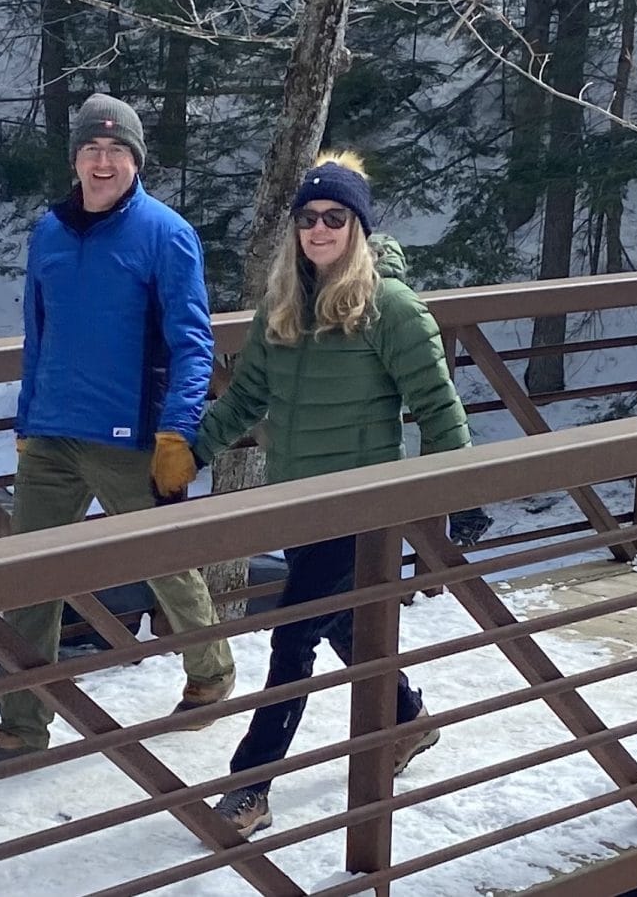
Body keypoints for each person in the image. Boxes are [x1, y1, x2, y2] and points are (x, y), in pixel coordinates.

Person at [189, 151, 472, 835]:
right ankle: (407, 718)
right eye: (308, 218)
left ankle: (250, 787)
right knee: (344, 622)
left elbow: (439, 408)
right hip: (298, 502)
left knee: (292, 637)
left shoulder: (391, 308)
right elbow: (246, 397)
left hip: (364, 508)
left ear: (358, 227)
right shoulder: (282, 308)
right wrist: (186, 455)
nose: (319, 229)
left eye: (335, 218)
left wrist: (459, 498)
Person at [0, 93, 236, 769]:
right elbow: (38, 333)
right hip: (51, 433)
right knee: (28, 578)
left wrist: (176, 433)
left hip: (129, 434)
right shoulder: (49, 232)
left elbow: (193, 344)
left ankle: (211, 673)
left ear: (135, 160)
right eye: (91, 149)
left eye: (116, 151)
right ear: (75, 159)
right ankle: (22, 728)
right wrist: (26, 419)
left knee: (162, 561)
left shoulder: (166, 233)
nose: (102, 162)